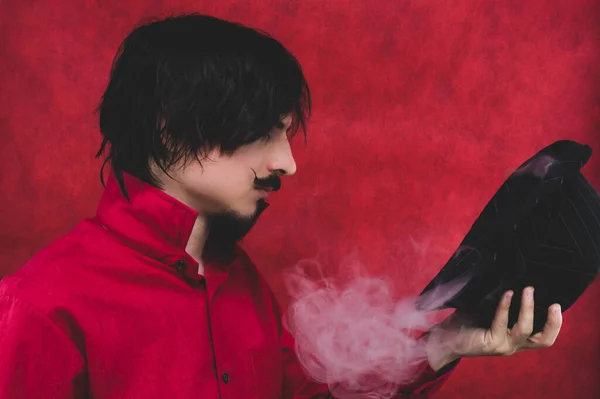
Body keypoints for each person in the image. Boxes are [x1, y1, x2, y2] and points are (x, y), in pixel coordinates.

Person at [0, 13, 563, 399]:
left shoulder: (236, 280)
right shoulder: (43, 308)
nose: (288, 162)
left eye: (287, 133)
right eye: (265, 132)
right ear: (169, 130)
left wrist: (450, 339)